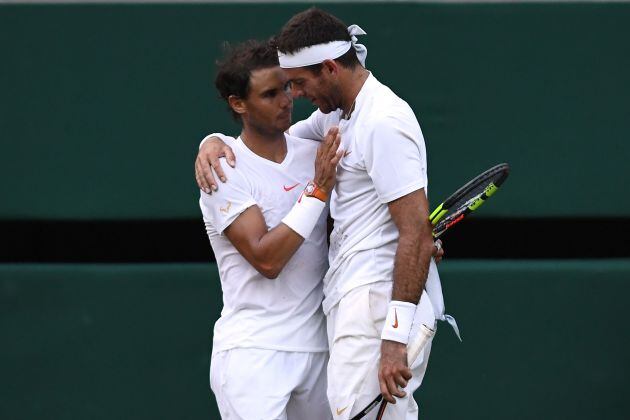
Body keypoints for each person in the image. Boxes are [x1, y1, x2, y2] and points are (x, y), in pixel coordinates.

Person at [197, 9, 455, 419]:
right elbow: (266, 154)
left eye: (296, 83)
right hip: (323, 321)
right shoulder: (335, 120)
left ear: (330, 69)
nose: (292, 97)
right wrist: (211, 141)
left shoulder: (382, 120)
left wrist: (393, 336)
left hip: (371, 310)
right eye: (279, 89)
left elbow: (414, 233)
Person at [200, 39, 344, 420]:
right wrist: (317, 191)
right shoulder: (223, 170)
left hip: (320, 351)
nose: (285, 100)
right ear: (238, 104)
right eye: (269, 94)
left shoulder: (311, 147)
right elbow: (266, 259)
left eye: (285, 88)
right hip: (253, 355)